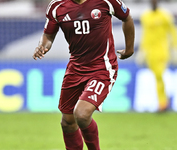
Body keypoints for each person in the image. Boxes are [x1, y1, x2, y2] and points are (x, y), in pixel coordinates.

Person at [33, 0, 134, 149]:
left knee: (81, 114)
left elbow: (127, 17)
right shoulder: (57, 6)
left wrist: (129, 49)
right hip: (75, 68)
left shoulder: (106, 1)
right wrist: (43, 46)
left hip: (102, 68)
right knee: (67, 122)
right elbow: (48, 36)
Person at [136, 0, 177, 112]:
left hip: (162, 51)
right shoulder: (146, 16)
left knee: (159, 76)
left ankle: (163, 103)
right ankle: (163, 101)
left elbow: (172, 31)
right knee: (157, 77)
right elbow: (145, 34)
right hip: (150, 53)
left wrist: (174, 48)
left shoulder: (165, 15)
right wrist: (142, 51)